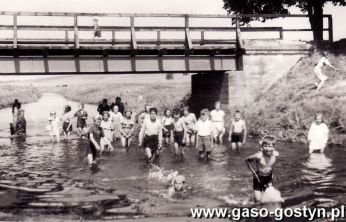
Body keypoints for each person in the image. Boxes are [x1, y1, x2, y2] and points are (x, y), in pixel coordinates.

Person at [245, 135, 279, 203]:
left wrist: (272, 174)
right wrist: (254, 173)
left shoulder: (275, 154)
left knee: (271, 196)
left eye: (270, 146)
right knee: (258, 200)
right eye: (265, 146)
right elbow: (247, 160)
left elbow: (271, 165)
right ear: (262, 148)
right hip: (258, 178)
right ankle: (255, 207)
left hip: (268, 177)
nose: (267, 148)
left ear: (274, 148)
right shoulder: (258, 156)